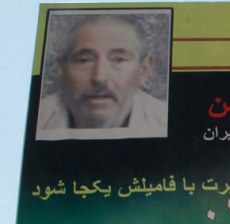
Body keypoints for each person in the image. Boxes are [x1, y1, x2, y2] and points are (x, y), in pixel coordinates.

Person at [37, 14, 167, 134]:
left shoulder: (166, 122)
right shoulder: (36, 120)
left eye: (119, 59)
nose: (99, 78)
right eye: (84, 60)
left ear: (144, 70)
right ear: (62, 68)